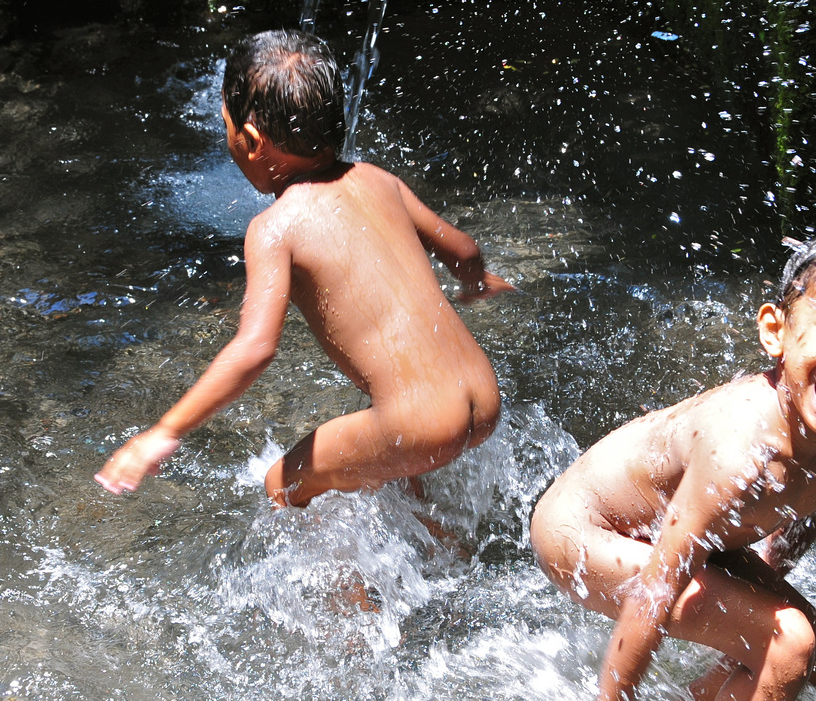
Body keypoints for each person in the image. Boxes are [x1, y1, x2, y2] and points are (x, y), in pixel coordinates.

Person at [530, 223, 816, 701]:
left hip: (682, 532)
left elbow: (809, 502)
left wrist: (768, 577)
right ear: (776, 333)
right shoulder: (739, 450)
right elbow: (656, 587)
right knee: (788, 641)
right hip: (583, 533)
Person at [96, 29, 514, 506]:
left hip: (418, 422)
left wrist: (164, 430)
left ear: (251, 140)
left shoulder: (274, 227)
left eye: (226, 125)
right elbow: (463, 250)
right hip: (482, 394)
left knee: (283, 485)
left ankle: (355, 584)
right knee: (378, 460)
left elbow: (254, 349)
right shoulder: (377, 179)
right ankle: (439, 546)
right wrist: (477, 283)